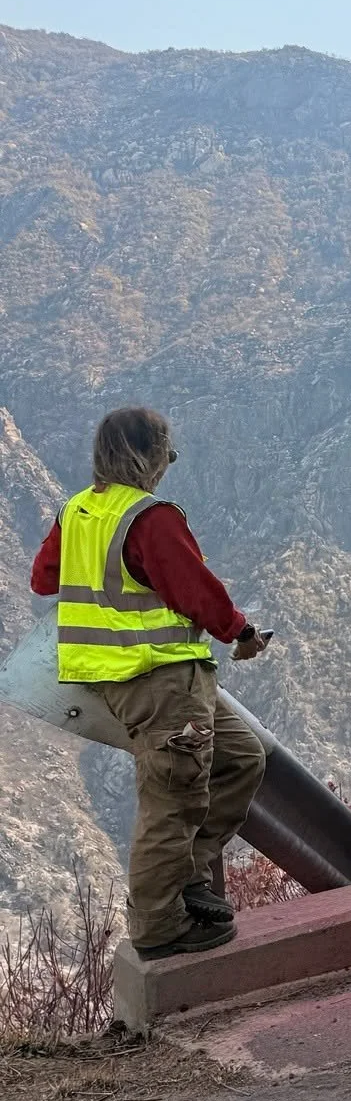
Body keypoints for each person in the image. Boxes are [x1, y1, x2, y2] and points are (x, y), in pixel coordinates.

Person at [30, 408, 271, 959]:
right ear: (148, 456)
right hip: (161, 680)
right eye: (166, 455)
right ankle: (160, 927)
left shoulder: (78, 510)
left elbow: (44, 579)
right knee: (173, 800)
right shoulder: (150, 517)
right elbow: (194, 590)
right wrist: (241, 632)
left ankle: (186, 876)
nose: (167, 466)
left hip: (120, 681)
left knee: (241, 758)